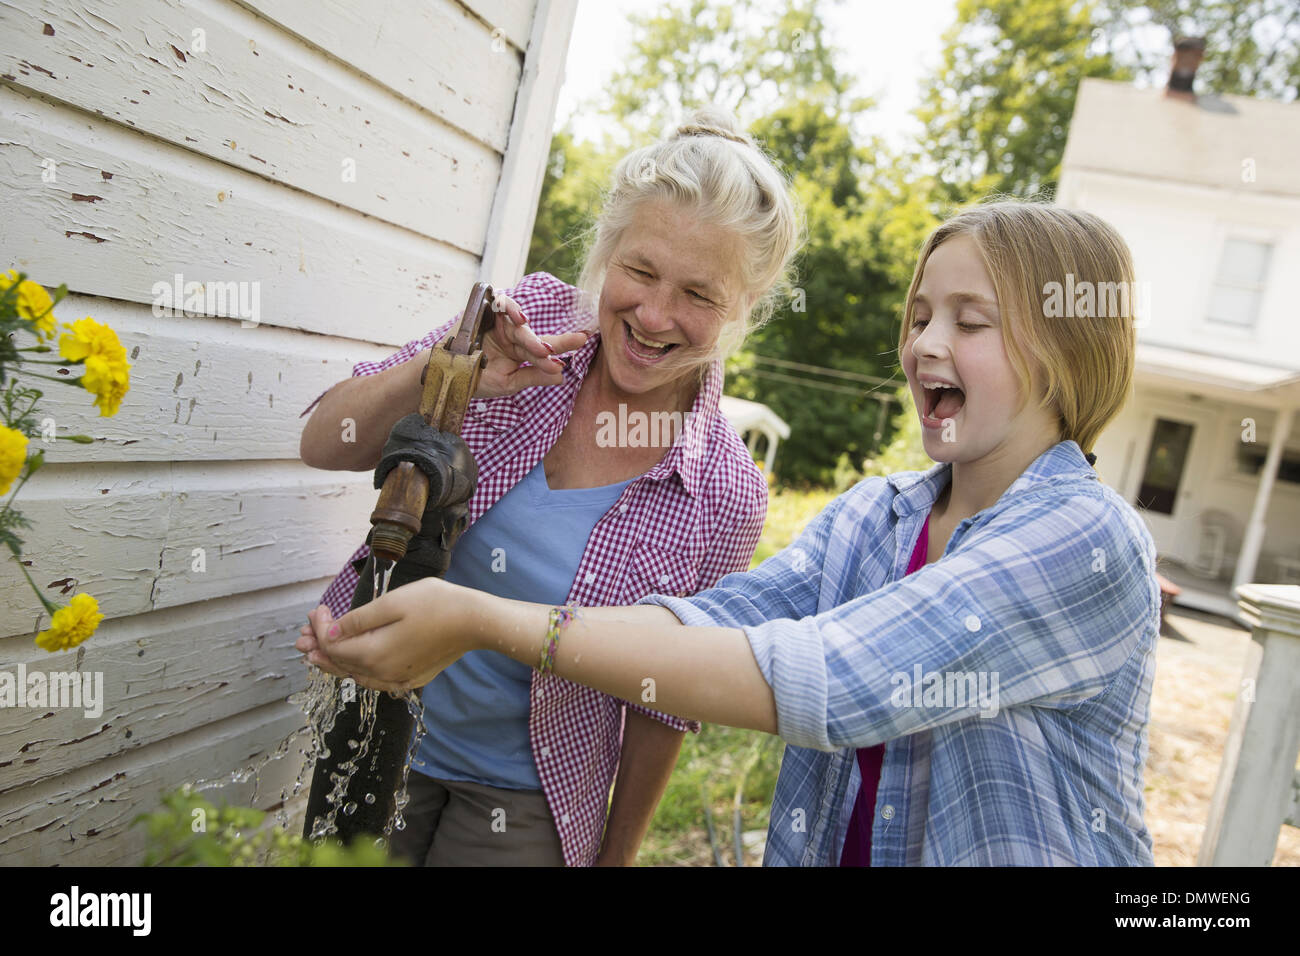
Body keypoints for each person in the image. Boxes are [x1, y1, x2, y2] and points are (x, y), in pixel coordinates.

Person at [300, 200, 1161, 866]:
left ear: (1070, 353)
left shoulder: (1083, 541)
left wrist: (484, 621)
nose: (925, 344)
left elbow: (833, 677)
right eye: (921, 314)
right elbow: (710, 621)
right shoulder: (876, 517)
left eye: (971, 323)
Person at [297, 107, 803, 866]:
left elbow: (666, 702)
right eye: (639, 271)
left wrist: (616, 855)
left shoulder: (728, 492)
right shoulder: (523, 326)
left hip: (526, 804)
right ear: (605, 252)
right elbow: (323, 440)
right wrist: (454, 373)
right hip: (375, 734)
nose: (655, 314)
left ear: (746, 309)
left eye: (700, 295)